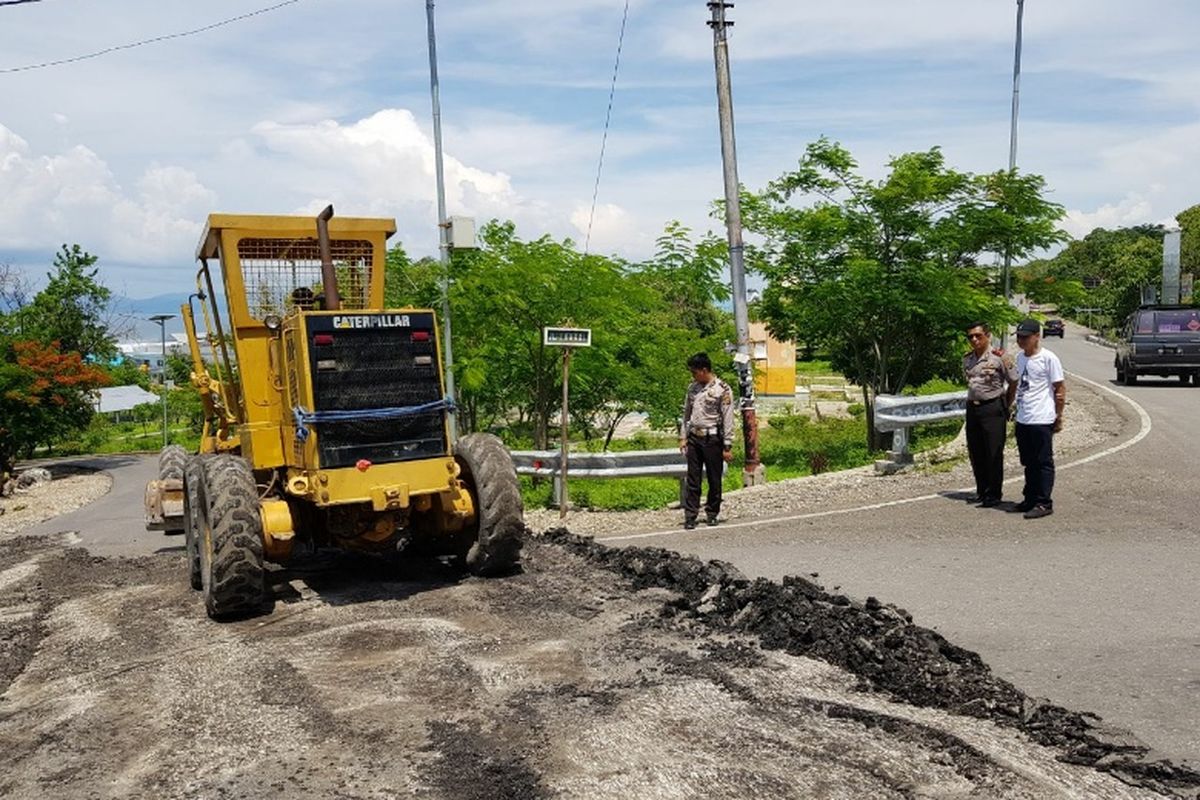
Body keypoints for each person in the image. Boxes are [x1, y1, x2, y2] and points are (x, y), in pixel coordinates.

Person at [1005, 319, 1066, 519]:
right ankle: (1029, 498)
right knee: (1028, 461)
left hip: (1042, 417)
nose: (1022, 341)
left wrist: (1058, 416)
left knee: (1043, 461)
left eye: (1025, 337)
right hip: (1024, 417)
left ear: (1036, 337)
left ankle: (1043, 502)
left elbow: (1060, 389)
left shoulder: (1049, 358)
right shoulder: (1021, 358)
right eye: (1019, 337)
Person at [962, 322, 1018, 507]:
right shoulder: (968, 358)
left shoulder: (1000, 357)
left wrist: (1006, 404)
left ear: (988, 335)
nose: (974, 340)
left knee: (993, 452)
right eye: (971, 336)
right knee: (976, 451)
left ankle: (993, 493)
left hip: (993, 407)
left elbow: (1013, 381)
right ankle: (981, 491)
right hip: (973, 408)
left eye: (978, 335)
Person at [679, 353, 735, 530]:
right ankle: (690, 515)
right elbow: (686, 414)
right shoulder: (692, 389)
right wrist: (683, 437)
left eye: (694, 372)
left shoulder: (722, 389)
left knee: (714, 478)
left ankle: (712, 513)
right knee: (693, 479)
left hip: (713, 439)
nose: (693, 376)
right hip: (695, 437)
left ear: (704, 370)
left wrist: (727, 445)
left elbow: (727, 418)